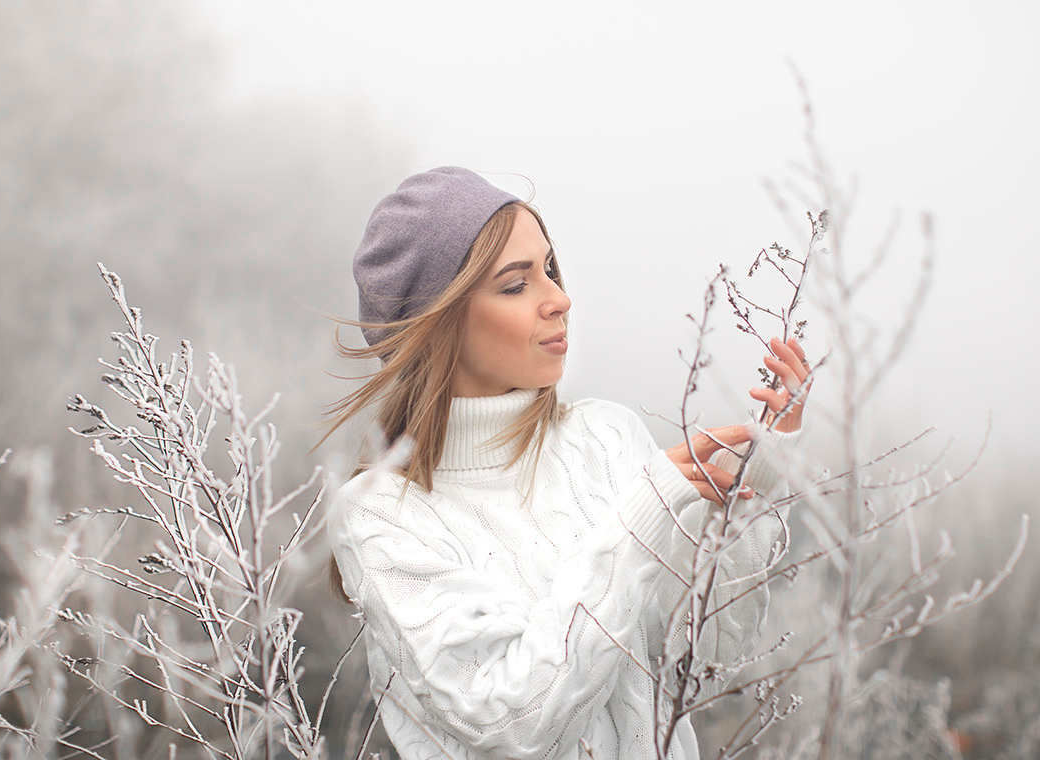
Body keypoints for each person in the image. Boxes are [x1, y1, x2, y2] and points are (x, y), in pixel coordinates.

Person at [326, 166, 811, 760]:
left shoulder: (604, 439)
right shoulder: (382, 516)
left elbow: (710, 645)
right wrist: (638, 522)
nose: (560, 299)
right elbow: (509, 724)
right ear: (440, 322)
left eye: (550, 269)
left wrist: (752, 481)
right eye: (515, 285)